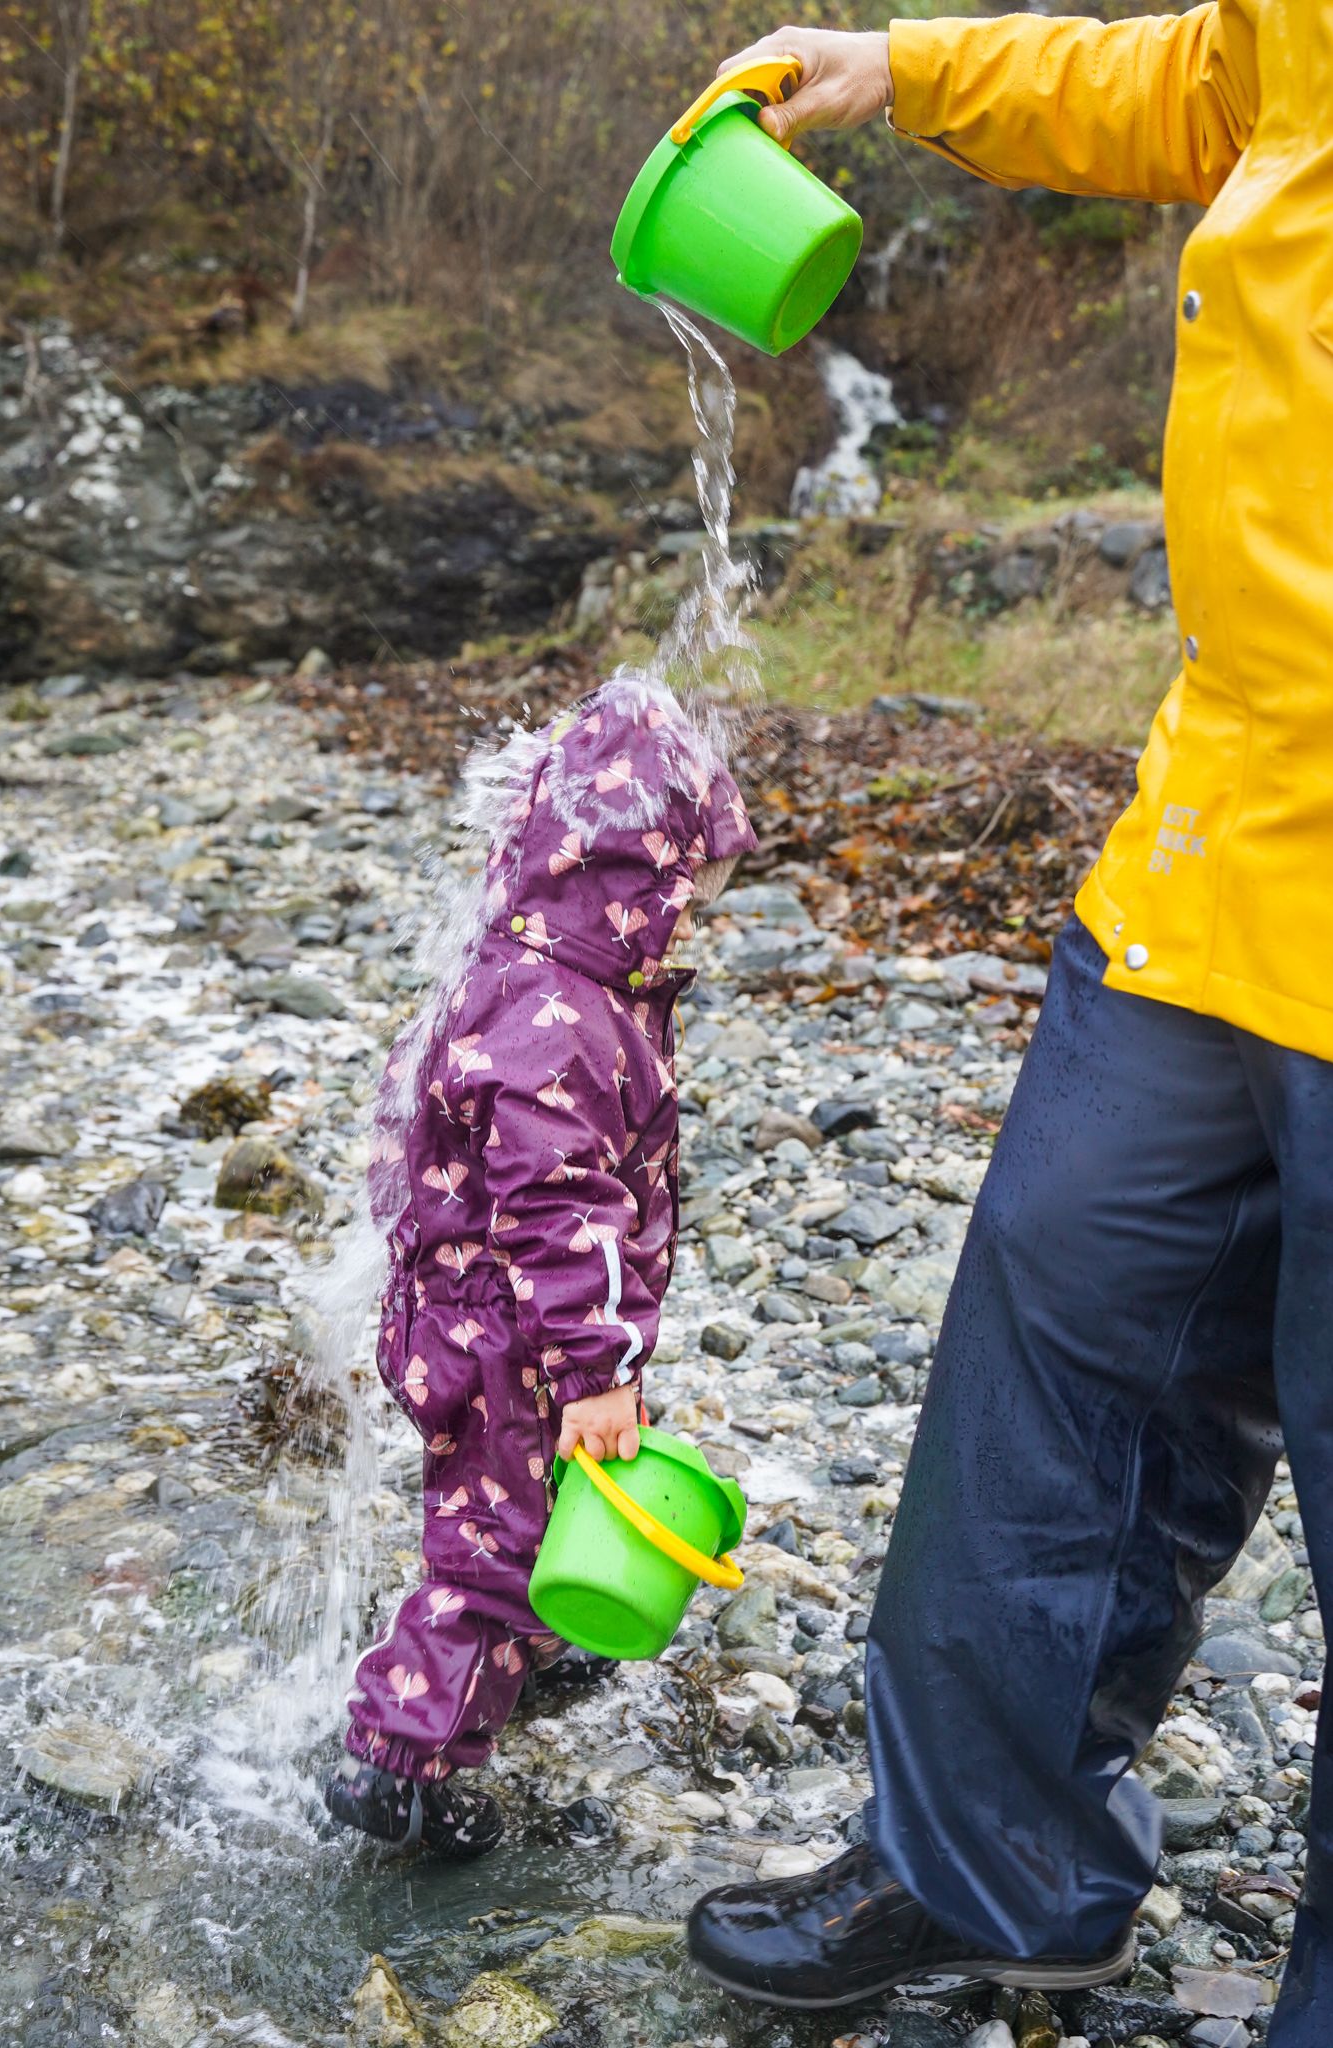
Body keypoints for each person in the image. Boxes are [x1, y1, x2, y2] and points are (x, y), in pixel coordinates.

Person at [683, 12, 1333, 2040]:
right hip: (1223, 836)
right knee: (1062, 1316)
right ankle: (996, 1867)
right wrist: (908, 72)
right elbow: (1216, 79)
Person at [325, 675, 755, 1856]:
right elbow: (559, 1207)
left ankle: (510, 1654)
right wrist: (600, 1367)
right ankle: (400, 1765)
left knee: (503, 1511)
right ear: (621, 879)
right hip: (506, 1327)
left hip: (480, 1313)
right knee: (492, 1556)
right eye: (684, 905)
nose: (691, 930)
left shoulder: (537, 969)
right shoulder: (558, 1015)